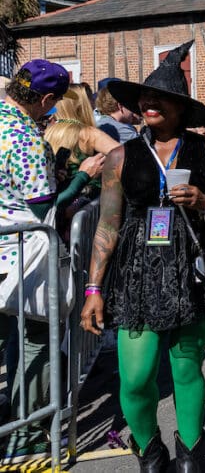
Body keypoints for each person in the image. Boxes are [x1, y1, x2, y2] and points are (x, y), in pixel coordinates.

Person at [80, 42, 205, 471]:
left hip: (192, 267)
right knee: (136, 378)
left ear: (181, 107)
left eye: (159, 98)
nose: (148, 104)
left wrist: (204, 201)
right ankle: (149, 448)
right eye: (144, 98)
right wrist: (94, 288)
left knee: (187, 367)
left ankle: (190, 448)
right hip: (136, 271)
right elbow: (107, 225)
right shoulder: (120, 156)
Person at [0, 60, 70, 464]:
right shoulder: (24, 137)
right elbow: (45, 207)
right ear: (45, 99)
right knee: (35, 337)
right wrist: (82, 177)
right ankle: (23, 434)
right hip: (18, 254)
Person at [43, 82, 120, 234]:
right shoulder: (88, 133)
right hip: (84, 214)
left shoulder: (48, 132)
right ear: (82, 105)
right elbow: (125, 155)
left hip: (54, 213)